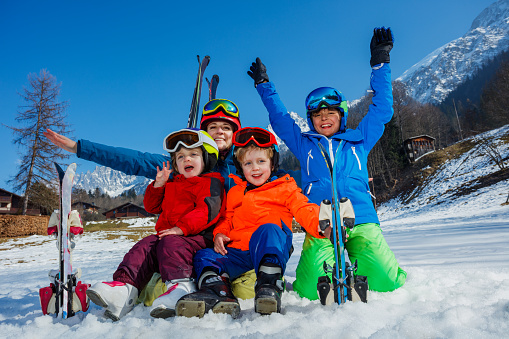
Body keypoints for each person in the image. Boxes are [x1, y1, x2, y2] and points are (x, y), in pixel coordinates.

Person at [247, 27, 406, 301]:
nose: (324, 118)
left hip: (361, 218)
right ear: (311, 120)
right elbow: (281, 119)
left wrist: (380, 63)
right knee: (309, 289)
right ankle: (331, 270)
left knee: (386, 280)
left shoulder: (360, 139)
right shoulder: (304, 143)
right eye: (317, 115)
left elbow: (382, 110)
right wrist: (264, 86)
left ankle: (360, 268)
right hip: (320, 221)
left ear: (341, 115)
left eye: (331, 112)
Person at [175, 127, 324, 318]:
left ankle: (269, 286)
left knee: (269, 229)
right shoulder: (235, 192)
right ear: (240, 167)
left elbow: (304, 209)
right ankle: (217, 291)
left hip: (269, 248)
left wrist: (320, 223)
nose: (255, 168)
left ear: (272, 163)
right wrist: (219, 234)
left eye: (261, 161)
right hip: (238, 251)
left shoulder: (285, 187)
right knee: (205, 255)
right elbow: (227, 218)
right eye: (248, 163)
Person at [85, 129, 226, 321]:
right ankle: (124, 289)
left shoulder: (211, 182)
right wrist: (158, 186)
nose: (187, 159)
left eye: (194, 154)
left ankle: (181, 287)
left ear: (206, 159)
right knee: (145, 245)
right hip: (170, 238)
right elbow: (152, 207)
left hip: (198, 238)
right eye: (180, 156)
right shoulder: (173, 183)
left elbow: (206, 211)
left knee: (171, 243)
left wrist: (181, 229)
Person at [43, 98, 241, 192]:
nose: (219, 132)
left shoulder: (246, 163)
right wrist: (79, 148)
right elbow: (137, 160)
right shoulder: (189, 162)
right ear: (204, 134)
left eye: (226, 127)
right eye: (213, 127)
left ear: (235, 133)